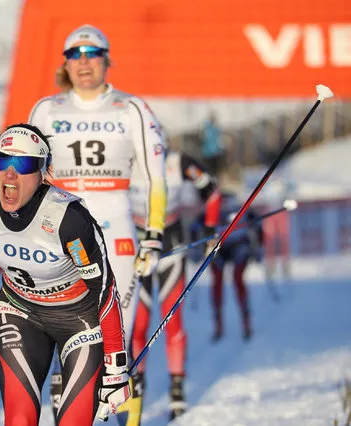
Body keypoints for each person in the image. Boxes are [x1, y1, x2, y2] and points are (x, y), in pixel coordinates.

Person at [27, 24, 168, 422]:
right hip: (56, 233)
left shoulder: (132, 108)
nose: (84, 63)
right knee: (62, 332)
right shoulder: (46, 110)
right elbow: (25, 172)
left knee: (116, 337)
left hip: (116, 231)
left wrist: (154, 235)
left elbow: (156, 175)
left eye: (93, 55)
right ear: (65, 65)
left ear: (107, 61)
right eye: (75, 55)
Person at [0, 123, 131, 426]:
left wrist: (116, 367)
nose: (10, 174)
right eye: (2, 160)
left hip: (79, 321)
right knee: (19, 420)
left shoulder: (69, 219)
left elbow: (104, 291)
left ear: (42, 173)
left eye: (23, 164)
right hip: (19, 311)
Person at [129, 149, 222, 421]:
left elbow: (212, 191)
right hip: (137, 251)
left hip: (173, 248)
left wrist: (209, 230)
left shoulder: (179, 162)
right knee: (138, 325)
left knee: (173, 322)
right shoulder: (125, 159)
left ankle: (177, 391)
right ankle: (135, 391)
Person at [190, 193, 263, 342]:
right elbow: (195, 227)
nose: (224, 205)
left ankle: (246, 322)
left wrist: (257, 249)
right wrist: (196, 251)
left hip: (238, 246)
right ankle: (218, 325)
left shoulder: (241, 208)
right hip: (218, 248)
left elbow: (257, 225)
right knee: (217, 281)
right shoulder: (209, 209)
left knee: (238, 278)